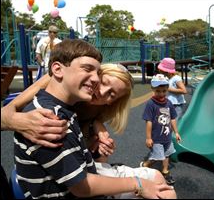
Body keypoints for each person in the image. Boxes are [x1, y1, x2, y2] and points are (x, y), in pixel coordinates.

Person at [11, 39, 175, 199]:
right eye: (101, 80)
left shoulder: (72, 108)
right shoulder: (52, 117)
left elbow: (81, 159)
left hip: (74, 174)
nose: (100, 88)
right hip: (69, 186)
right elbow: (81, 186)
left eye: (112, 94)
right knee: (163, 190)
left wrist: (94, 145)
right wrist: (14, 119)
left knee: (159, 183)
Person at [141, 74, 182, 185]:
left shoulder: (168, 103)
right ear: (153, 89)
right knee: (157, 156)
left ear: (167, 89)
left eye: (164, 91)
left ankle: (165, 171)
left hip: (167, 137)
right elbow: (148, 121)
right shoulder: (151, 104)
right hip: (157, 138)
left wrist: (176, 132)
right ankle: (146, 164)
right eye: (158, 91)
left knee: (167, 154)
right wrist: (148, 138)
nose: (161, 94)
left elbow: (173, 118)